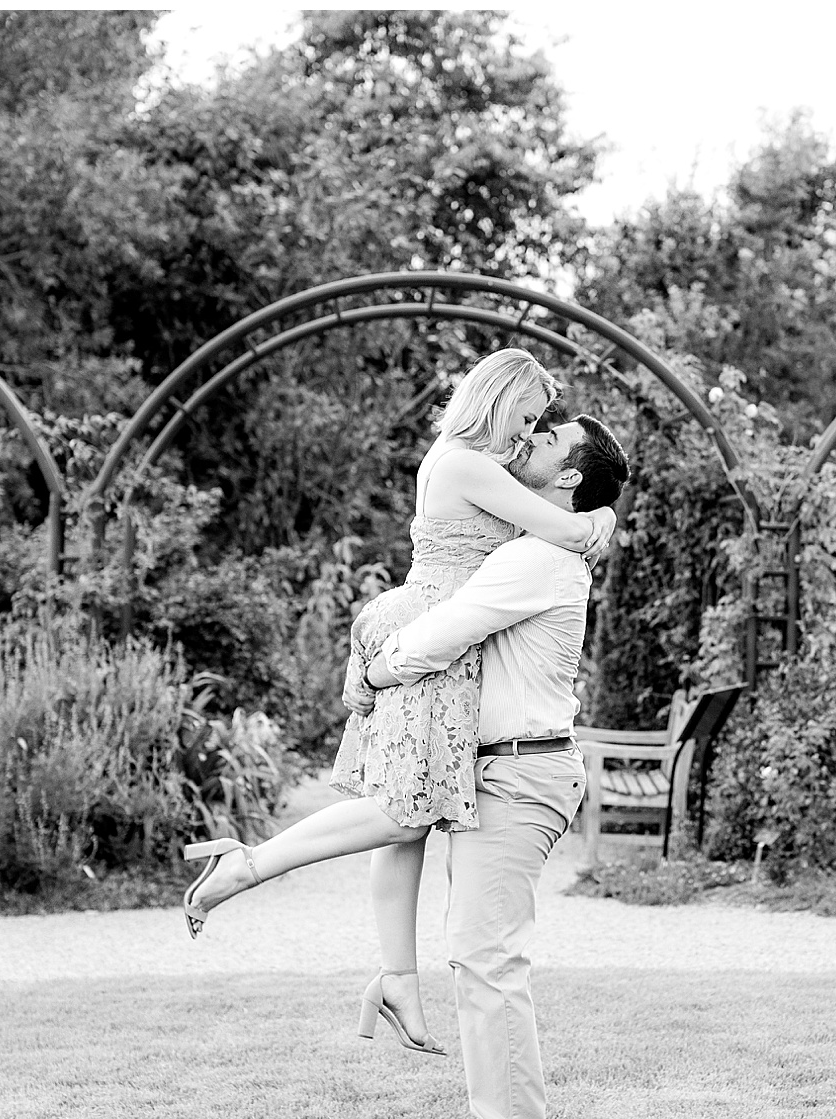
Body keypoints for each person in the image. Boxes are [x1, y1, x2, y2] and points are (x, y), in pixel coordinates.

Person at [179, 349, 616, 1057]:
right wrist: (605, 517)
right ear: (499, 399)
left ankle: (397, 978)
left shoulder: (474, 460)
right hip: (429, 633)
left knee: (406, 819)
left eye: (540, 424)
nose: (530, 430)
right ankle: (248, 864)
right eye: (528, 416)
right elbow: (567, 531)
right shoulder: (467, 463)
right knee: (400, 810)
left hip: (431, 629)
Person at [350, 412, 630, 1119]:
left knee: (486, 956)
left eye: (549, 440)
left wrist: (373, 673)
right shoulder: (539, 543)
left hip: (519, 771)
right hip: (508, 769)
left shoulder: (536, 557)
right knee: (479, 953)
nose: (531, 438)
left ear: (567, 476)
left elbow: (446, 631)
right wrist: (601, 517)